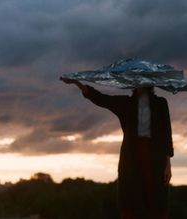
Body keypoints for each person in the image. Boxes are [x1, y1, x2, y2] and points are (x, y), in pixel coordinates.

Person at [61, 77, 174, 219]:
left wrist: (168, 164)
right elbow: (101, 99)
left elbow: (166, 134)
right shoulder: (126, 103)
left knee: (156, 200)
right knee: (130, 199)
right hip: (131, 157)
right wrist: (77, 83)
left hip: (155, 157)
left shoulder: (161, 104)